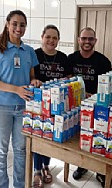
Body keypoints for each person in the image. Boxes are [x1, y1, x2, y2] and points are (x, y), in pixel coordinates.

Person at [0, 10, 42, 188]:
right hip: (0, 106)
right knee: (0, 151)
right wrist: (16, 89)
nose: (18, 28)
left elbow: (31, 76)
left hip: (24, 107)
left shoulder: (29, 51)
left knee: (21, 150)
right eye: (15, 24)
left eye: (22, 25)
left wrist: (34, 81)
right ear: (7, 24)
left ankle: (19, 185)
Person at [67, 27, 112, 188]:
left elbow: (108, 87)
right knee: (80, 138)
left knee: (97, 138)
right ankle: (82, 165)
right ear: (79, 39)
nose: (87, 42)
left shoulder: (103, 61)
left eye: (90, 39)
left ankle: (100, 171)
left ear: (95, 41)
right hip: (75, 108)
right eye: (84, 38)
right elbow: (67, 81)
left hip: (96, 107)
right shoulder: (70, 59)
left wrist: (92, 95)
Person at [33, 24, 72, 188]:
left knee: (49, 135)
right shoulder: (34, 55)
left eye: (54, 38)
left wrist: (65, 82)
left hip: (57, 105)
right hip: (38, 103)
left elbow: (70, 78)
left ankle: (46, 166)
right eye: (48, 36)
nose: (51, 40)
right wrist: (33, 81)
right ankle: (36, 170)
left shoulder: (64, 58)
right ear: (42, 37)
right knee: (37, 134)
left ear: (58, 40)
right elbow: (30, 76)